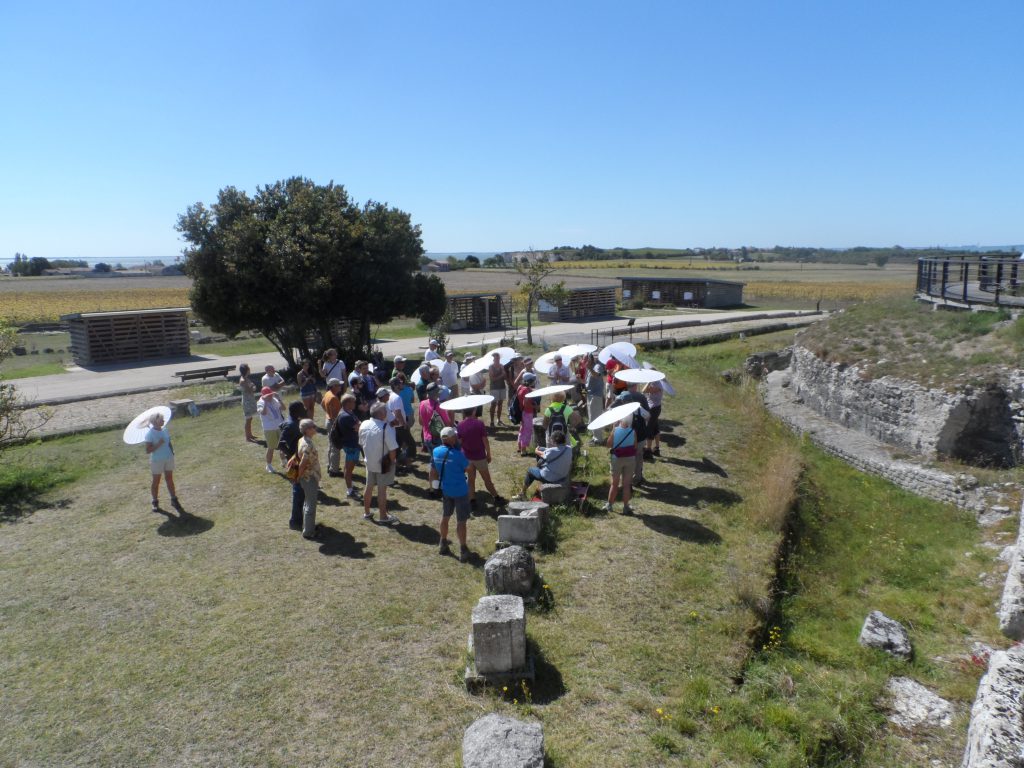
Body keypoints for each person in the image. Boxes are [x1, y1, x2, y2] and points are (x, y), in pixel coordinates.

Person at [431, 426, 472, 562]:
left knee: (446, 516)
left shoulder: (435, 451)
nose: (456, 437)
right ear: (450, 438)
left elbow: (433, 471)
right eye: (454, 436)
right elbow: (468, 469)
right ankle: (463, 549)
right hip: (460, 491)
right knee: (461, 521)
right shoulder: (458, 455)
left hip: (446, 490)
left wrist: (432, 487)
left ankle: (443, 543)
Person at [457, 407, 508, 512]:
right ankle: (496, 498)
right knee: (487, 479)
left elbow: (459, 441)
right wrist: (488, 454)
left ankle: (472, 501)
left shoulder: (460, 425)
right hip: (479, 457)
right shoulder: (479, 423)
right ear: (474, 411)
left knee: (470, 480)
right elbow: (485, 441)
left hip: (467, 457)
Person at [358, 402, 400, 524]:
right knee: (382, 490)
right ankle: (383, 516)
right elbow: (393, 449)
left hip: (369, 461)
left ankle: (367, 512)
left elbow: (361, 443)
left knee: (369, 487)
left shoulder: (364, 424)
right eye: (386, 411)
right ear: (381, 414)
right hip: (383, 463)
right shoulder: (385, 427)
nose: (388, 413)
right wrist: (393, 461)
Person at [278, 401, 308, 530]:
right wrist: (292, 455)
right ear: (296, 411)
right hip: (296, 462)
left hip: (299, 459)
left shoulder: (293, 421)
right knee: (298, 491)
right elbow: (281, 444)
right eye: (302, 408)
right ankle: (295, 521)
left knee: (301, 491)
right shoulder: (291, 425)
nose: (304, 409)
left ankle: (299, 519)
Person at [615, 383, 651, 486]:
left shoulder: (622, 412)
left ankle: (627, 481)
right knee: (639, 458)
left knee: (628, 460)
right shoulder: (639, 408)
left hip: (629, 440)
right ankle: (638, 478)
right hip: (641, 437)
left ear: (623, 401)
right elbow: (648, 416)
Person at [519, 431, 573, 499]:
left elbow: (541, 453)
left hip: (550, 478)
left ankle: (522, 493)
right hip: (563, 475)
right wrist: (542, 449)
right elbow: (553, 451)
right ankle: (540, 469)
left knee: (530, 471)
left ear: (553, 441)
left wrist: (536, 450)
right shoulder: (569, 448)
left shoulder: (551, 451)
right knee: (542, 449)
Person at [144, 411, 179, 511]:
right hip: (157, 460)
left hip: (168, 458)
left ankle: (173, 498)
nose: (163, 421)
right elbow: (148, 450)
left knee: (169, 479)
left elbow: (169, 442)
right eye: (161, 420)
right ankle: (155, 501)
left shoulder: (165, 430)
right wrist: (158, 444)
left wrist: (172, 452)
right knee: (156, 481)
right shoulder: (149, 434)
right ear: (155, 422)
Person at [329, 393, 361, 498]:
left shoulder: (348, 412)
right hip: (350, 445)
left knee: (349, 467)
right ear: (348, 403)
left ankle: (350, 486)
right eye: (353, 402)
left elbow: (357, 423)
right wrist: (359, 425)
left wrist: (358, 424)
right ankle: (350, 490)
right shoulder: (345, 416)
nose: (355, 403)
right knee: (348, 468)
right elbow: (358, 427)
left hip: (353, 443)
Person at [296, 419, 323, 540]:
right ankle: (308, 532)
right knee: (311, 505)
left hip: (306, 477)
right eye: (313, 426)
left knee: (307, 502)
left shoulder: (302, 440)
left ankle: (307, 526)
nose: (315, 427)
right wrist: (298, 476)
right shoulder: (307, 445)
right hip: (309, 477)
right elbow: (303, 463)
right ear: (307, 430)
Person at [605, 416, 637, 515]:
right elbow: (635, 446)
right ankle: (626, 507)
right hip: (630, 459)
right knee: (626, 485)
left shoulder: (615, 431)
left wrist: (613, 430)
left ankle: (609, 505)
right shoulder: (633, 431)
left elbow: (608, 445)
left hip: (617, 459)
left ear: (620, 420)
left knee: (614, 484)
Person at [388, 377, 417, 470]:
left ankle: (396, 464)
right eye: (400, 383)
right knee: (411, 444)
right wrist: (404, 423)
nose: (402, 384)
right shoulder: (397, 398)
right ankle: (407, 464)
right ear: (396, 386)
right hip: (400, 426)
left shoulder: (391, 395)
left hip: (395, 426)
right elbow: (397, 412)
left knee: (397, 445)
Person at [257, 386, 285, 473]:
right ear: (264, 396)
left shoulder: (274, 400)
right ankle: (268, 465)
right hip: (270, 428)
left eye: (271, 395)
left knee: (283, 445)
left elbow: (284, 408)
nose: (270, 397)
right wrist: (265, 402)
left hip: (279, 425)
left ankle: (284, 461)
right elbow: (263, 412)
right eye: (268, 395)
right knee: (271, 447)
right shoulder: (260, 403)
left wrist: (279, 399)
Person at [418, 382, 451, 455]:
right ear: (437, 393)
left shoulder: (422, 403)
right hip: (436, 439)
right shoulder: (439, 407)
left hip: (426, 437)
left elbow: (420, 422)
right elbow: (447, 423)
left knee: (433, 460)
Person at [321, 378, 344, 476]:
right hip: (333, 423)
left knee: (331, 445)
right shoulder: (334, 398)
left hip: (328, 421)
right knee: (336, 447)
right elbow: (337, 415)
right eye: (339, 385)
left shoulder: (327, 393)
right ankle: (334, 470)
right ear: (334, 386)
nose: (340, 387)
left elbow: (322, 404)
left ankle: (330, 465)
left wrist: (328, 413)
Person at [516, 372, 538, 454]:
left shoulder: (521, 387)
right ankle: (523, 449)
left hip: (522, 412)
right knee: (527, 430)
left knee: (522, 429)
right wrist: (535, 407)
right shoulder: (526, 390)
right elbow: (526, 403)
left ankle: (519, 446)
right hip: (527, 412)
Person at [585, 361, 607, 444]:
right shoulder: (593, 365)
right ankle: (595, 437)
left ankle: (598, 439)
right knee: (591, 416)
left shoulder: (598, 365)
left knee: (595, 417)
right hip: (591, 394)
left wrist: (590, 368)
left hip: (596, 395)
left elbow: (597, 375)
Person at [642, 379, 664, 458]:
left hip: (654, 409)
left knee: (649, 428)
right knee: (655, 428)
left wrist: (648, 382)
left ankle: (648, 450)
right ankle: (657, 449)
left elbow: (644, 390)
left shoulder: (658, 385)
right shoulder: (654, 383)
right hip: (654, 408)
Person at [238, 363, 259, 442]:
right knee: (248, 418)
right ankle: (247, 436)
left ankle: (250, 434)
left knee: (250, 418)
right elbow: (250, 389)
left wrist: (253, 387)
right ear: (246, 370)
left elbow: (252, 387)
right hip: (247, 401)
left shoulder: (246, 378)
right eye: (248, 368)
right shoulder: (243, 380)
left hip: (250, 399)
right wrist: (253, 387)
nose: (250, 370)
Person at [487, 352, 507, 428]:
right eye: (496, 358)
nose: (497, 359)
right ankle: (492, 421)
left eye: (498, 358)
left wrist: (504, 374)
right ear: (493, 359)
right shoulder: (491, 367)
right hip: (494, 388)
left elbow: (505, 378)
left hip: (502, 386)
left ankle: (498, 419)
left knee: (500, 404)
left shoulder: (502, 366)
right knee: (493, 404)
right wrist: (502, 374)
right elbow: (492, 379)